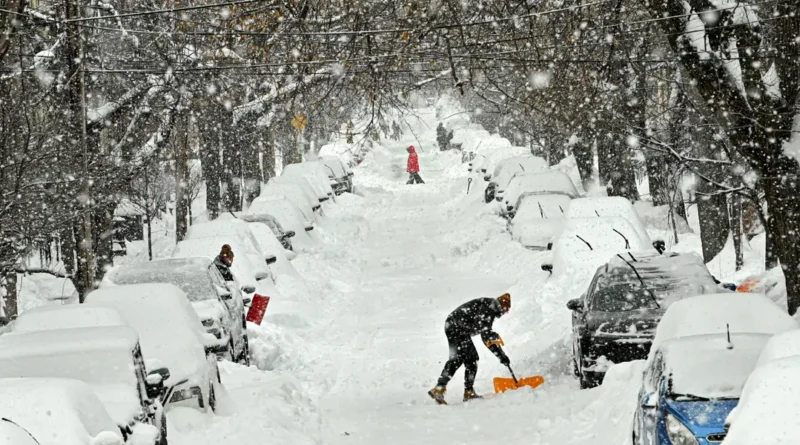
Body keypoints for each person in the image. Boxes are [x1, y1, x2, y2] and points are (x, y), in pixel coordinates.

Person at [428, 293, 512, 404]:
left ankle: (442, 389)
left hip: (453, 325)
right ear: (501, 307)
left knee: (462, 359)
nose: (505, 313)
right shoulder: (488, 311)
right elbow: (486, 336)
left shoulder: (489, 306)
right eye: (506, 310)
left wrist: (500, 354)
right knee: (468, 359)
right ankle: (465, 392)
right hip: (457, 328)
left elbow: (485, 334)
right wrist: (502, 356)